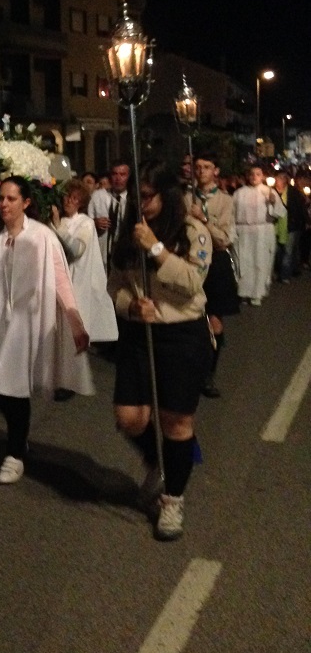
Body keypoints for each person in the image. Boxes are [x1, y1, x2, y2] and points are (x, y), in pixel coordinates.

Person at [0, 176, 92, 484]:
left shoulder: (41, 236)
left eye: (11, 198)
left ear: (26, 202)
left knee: (13, 387)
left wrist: (75, 323)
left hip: (26, 324)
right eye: (1, 199)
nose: (4, 204)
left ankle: (15, 453)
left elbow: (60, 279)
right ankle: (19, 440)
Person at [108, 161, 213, 541]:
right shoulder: (129, 232)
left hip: (182, 335)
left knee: (175, 423)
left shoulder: (193, 231)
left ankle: (173, 500)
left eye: (149, 196)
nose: (143, 203)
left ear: (166, 195)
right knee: (129, 418)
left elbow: (192, 282)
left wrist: (155, 248)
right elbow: (115, 284)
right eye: (137, 196)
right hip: (140, 333)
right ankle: (160, 461)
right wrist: (130, 305)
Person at [185, 152, 239, 398]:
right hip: (192, 261)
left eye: (206, 167)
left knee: (215, 320)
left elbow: (223, 238)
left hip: (216, 262)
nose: (201, 171)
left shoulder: (225, 201)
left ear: (216, 171)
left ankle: (208, 374)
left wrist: (203, 218)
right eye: (197, 167)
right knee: (191, 317)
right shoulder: (187, 197)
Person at [50, 179, 118, 349]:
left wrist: (58, 226)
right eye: (67, 196)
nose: (69, 201)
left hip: (77, 280)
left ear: (80, 203)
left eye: (74, 198)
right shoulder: (57, 220)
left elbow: (77, 250)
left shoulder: (85, 222)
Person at [233, 166, 285, 305]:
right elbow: (232, 212)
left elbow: (280, 212)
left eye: (258, 174)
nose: (254, 176)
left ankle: (257, 293)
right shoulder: (239, 193)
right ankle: (243, 292)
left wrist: (273, 202)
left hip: (262, 231)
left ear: (262, 176)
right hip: (243, 232)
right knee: (243, 262)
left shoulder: (269, 192)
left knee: (260, 262)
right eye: (251, 174)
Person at [88, 159, 131, 274]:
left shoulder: (133, 199)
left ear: (128, 177)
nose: (118, 178)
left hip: (126, 256)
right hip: (102, 253)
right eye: (115, 174)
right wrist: (94, 223)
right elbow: (85, 222)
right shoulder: (98, 196)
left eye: (122, 174)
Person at [272, 171, 306, 283]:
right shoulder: (271, 192)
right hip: (276, 225)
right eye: (277, 178)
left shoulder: (293, 192)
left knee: (288, 250)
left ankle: (284, 275)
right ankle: (279, 270)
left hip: (290, 224)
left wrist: (304, 221)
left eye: (280, 178)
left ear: (285, 180)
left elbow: (300, 207)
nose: (278, 180)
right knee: (277, 251)